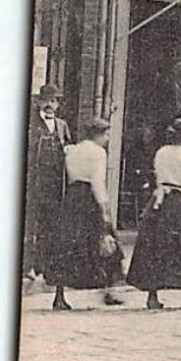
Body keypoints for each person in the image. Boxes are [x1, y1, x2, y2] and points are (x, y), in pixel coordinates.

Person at [126, 115, 181, 310]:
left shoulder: (162, 152)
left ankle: (152, 294)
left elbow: (158, 175)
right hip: (176, 201)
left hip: (159, 200)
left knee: (153, 245)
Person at [42, 118, 123, 310]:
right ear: (98, 134)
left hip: (72, 197)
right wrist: (104, 207)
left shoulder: (73, 150)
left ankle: (59, 296)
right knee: (105, 240)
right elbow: (97, 181)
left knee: (67, 244)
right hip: (89, 198)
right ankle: (109, 290)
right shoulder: (98, 153)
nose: (108, 138)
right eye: (106, 134)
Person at [24, 83, 72, 280]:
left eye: (53, 101)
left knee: (51, 226)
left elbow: (68, 147)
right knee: (31, 226)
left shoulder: (62, 125)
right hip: (35, 183)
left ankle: (45, 266)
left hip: (54, 184)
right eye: (46, 101)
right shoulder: (31, 123)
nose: (50, 105)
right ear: (39, 101)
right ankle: (28, 266)